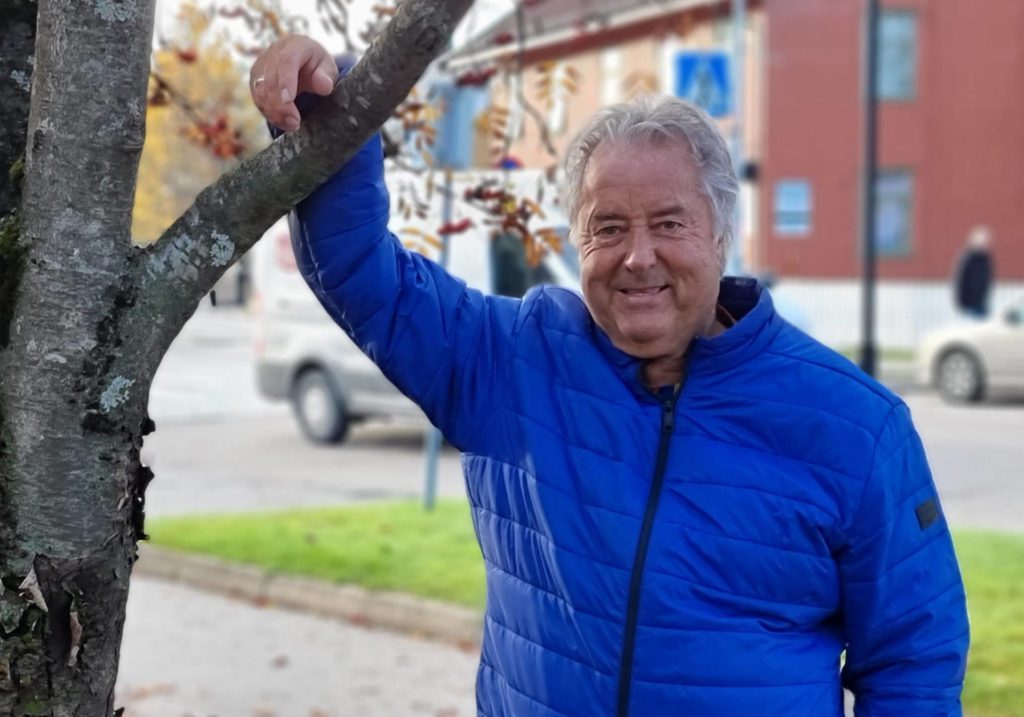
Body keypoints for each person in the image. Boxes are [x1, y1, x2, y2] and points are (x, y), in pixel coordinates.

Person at [250, 36, 969, 717]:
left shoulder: (856, 425)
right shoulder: (512, 361)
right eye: (609, 227)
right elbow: (362, 274)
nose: (639, 256)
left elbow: (913, 662)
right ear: (577, 240)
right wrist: (328, 103)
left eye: (669, 223)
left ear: (721, 234)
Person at [954, 225, 995, 318]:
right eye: (982, 242)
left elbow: (988, 280)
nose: (985, 244)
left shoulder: (986, 259)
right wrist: (962, 304)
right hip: (970, 306)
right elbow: (961, 282)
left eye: (986, 242)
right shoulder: (968, 259)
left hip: (982, 304)